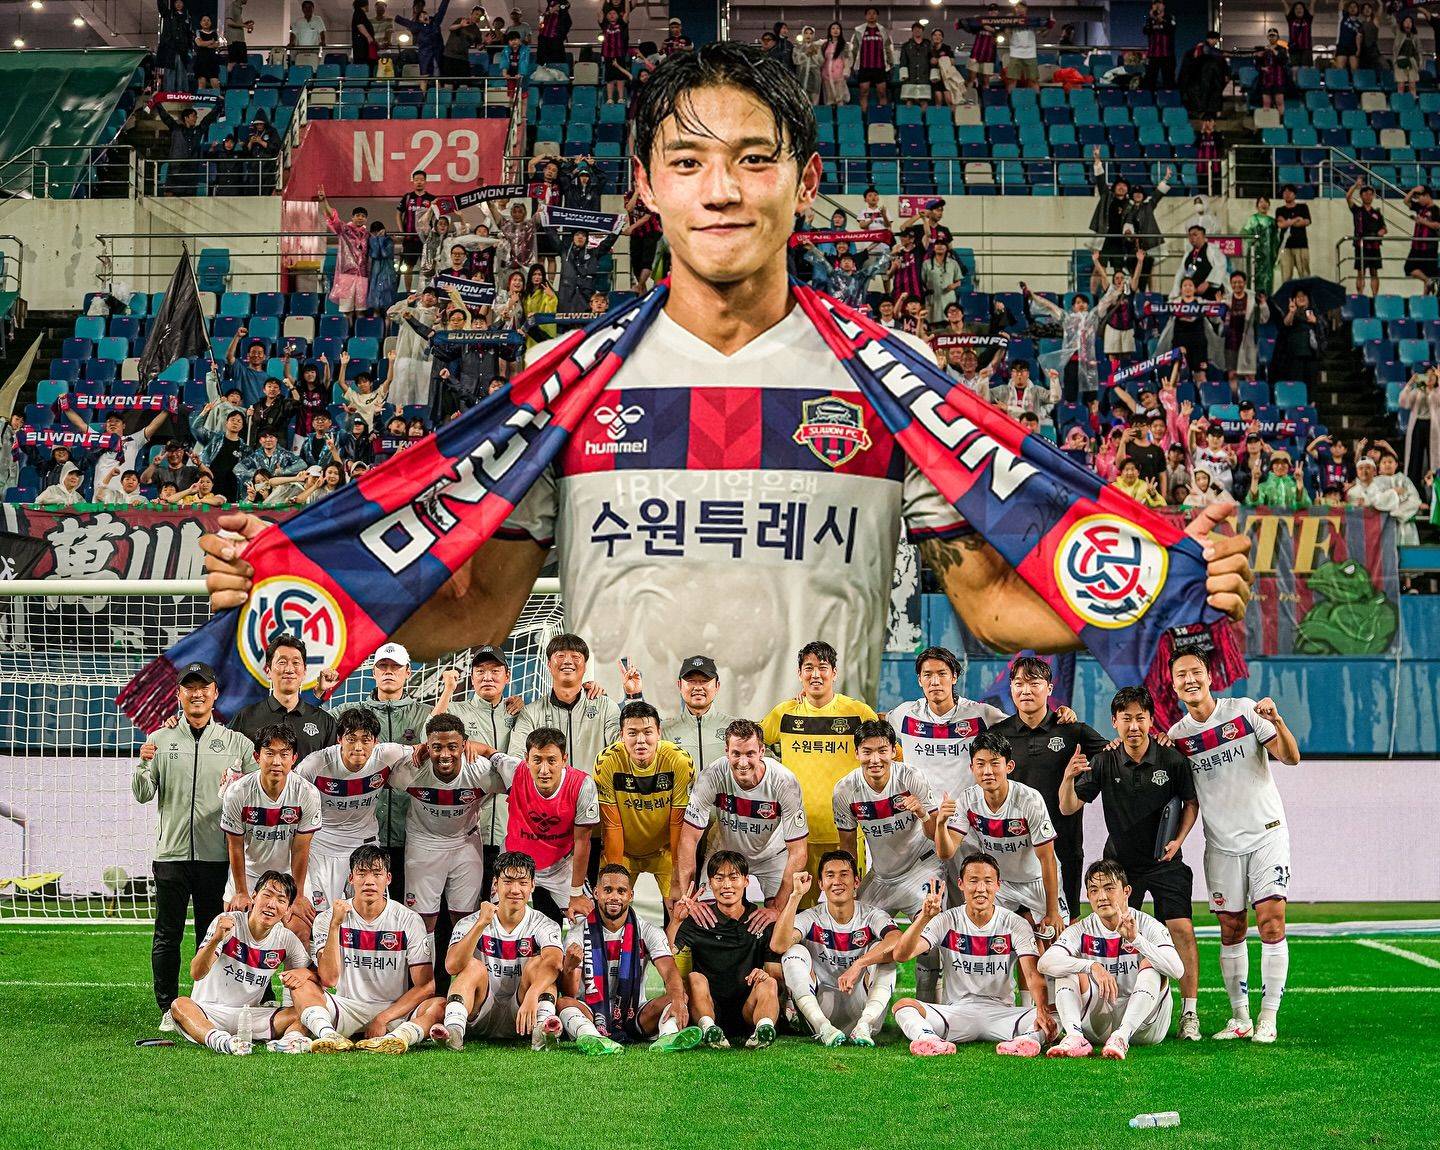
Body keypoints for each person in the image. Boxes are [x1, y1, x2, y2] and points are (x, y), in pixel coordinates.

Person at [200, 43, 1253, 743]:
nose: (723, 189)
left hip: (824, 818)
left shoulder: (891, 389)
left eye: (755, 159)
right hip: (619, 816)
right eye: (689, 160)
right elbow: (472, 616)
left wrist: (1170, 582)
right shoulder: (568, 389)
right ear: (648, 186)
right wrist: (293, 590)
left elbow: (986, 606)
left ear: (801, 177)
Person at [1168, 650, 1301, 1044]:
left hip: (1266, 834)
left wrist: (1277, 720)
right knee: (1231, 927)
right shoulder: (1178, 737)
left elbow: (1291, 758)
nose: (1189, 679)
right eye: (1181, 675)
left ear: (1209, 676)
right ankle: (1240, 1017)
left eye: (1196, 672)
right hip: (1221, 843)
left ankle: (1268, 1017)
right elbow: (1182, 794)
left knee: (1271, 921)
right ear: (1173, 685)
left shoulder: (1244, 711)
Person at [1059, 686, 1202, 1042]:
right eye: (1126, 719)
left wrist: (1179, 840)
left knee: (1182, 930)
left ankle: (1189, 1013)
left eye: (1140, 718)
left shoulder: (1171, 759)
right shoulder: (1105, 761)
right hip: (1121, 864)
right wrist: (1067, 778)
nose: (1133, 725)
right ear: (1115, 722)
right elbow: (1068, 807)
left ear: (1152, 721)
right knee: (1117, 935)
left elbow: (1190, 803)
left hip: (1166, 860)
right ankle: (1115, 1007)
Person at [132, 660, 255, 1031]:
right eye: (189, 687)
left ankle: (206, 1003)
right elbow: (142, 794)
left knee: (213, 931)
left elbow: (258, 794)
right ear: (179, 694)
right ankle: (168, 1007)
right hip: (170, 855)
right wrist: (141, 762)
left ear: (215, 694)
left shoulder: (238, 744)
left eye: (204, 687)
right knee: (167, 934)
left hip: (217, 857)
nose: (197, 693)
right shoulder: (160, 740)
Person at [889, 854, 1055, 1056]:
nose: (981, 889)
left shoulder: (1015, 923)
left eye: (988, 881)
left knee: (1055, 1011)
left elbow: (1032, 975)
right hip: (956, 1013)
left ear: (998, 885)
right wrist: (924, 918)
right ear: (960, 884)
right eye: (973, 881)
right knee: (904, 1006)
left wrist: (1040, 1009)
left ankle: (1028, 1040)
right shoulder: (945, 919)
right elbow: (901, 955)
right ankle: (928, 1039)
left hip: (1001, 1013)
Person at [988, 656, 1110, 921]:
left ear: (1050, 688)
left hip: (1063, 846)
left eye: (1034, 683)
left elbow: (1113, 757)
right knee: (1018, 932)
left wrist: (1083, 789)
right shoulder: (997, 735)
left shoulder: (1072, 730)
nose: (1026, 690)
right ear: (1010, 688)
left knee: (1065, 928)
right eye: (1018, 683)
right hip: (1013, 851)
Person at [291, 845, 434, 1053]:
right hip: (346, 1007)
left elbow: (426, 985)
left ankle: (397, 1038)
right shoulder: (326, 918)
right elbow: (329, 979)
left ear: (388, 879)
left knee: (438, 1005)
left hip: (393, 1009)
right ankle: (329, 1036)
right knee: (301, 987)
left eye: (377, 874)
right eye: (362, 874)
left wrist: (383, 1018)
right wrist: (335, 926)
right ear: (351, 878)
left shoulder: (409, 919)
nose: (369, 881)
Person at [1038, 860, 1187, 1059]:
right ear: (1088, 896)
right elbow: (1045, 963)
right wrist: (1091, 966)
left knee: (1150, 965)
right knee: (1067, 967)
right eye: (1094, 890)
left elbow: (1177, 971)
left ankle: (1122, 1036)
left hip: (1146, 1027)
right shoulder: (1081, 929)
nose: (1102, 897)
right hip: (1098, 1024)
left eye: (1109, 888)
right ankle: (1075, 1037)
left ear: (1126, 891)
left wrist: (1137, 940)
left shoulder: (1148, 925)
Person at [761, 641, 877, 896]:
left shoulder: (858, 713)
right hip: (798, 833)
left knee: (848, 906)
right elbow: (753, 745)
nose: (815, 674)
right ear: (799, 673)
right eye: (808, 668)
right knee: (799, 909)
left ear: (834, 673)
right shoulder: (784, 714)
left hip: (846, 830)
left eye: (822, 667)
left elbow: (889, 753)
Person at [424, 850, 564, 1049]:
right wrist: (481, 924)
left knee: (540, 964)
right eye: (507, 881)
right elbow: (452, 966)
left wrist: (533, 994)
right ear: (495, 884)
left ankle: (541, 1032)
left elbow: (555, 961)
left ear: (532, 885)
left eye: (523, 882)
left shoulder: (544, 923)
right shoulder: (470, 922)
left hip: (523, 1011)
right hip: (480, 1010)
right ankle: (453, 1033)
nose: (515, 889)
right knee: (472, 966)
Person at [556, 864, 704, 1052]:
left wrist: (677, 998)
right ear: (596, 892)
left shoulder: (648, 930)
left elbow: (669, 971)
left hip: (635, 1013)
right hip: (591, 1012)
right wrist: (569, 968)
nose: (614, 897)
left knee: (677, 995)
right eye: (608, 890)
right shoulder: (577, 934)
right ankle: (591, 1036)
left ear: (630, 895)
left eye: (621, 891)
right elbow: (570, 993)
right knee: (563, 1003)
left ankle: (668, 1037)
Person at [936, 731, 1067, 941]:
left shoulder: (1029, 800)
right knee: (994, 944)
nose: (987, 771)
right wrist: (941, 824)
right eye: (980, 764)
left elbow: (1048, 859)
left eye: (995, 763)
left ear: (1009, 766)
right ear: (972, 768)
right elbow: (946, 852)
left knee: (1054, 948)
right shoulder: (968, 800)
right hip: (1000, 885)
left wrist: (1052, 912)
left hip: (1037, 881)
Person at [169, 871, 312, 1054]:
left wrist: (305, 973)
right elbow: (197, 973)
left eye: (281, 900)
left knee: (307, 1012)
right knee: (180, 1005)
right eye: (266, 895)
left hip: (248, 1016)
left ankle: (289, 1042)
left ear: (288, 909)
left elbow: (315, 976)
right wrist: (216, 939)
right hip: (208, 1012)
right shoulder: (229, 922)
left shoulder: (286, 939)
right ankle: (221, 1042)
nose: (271, 904)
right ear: (254, 896)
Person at [676, 719, 808, 915]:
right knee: (708, 916)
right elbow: (688, 838)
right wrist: (688, 896)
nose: (743, 762)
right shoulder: (711, 776)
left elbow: (798, 852)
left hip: (772, 856)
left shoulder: (784, 781)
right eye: (736, 754)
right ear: (727, 751)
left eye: (750, 753)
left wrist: (778, 908)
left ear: (762, 751)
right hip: (725, 853)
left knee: (778, 920)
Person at [333, 641, 432, 902]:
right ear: (373, 672)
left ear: (408, 672)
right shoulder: (349, 714)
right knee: (362, 908)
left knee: (412, 909)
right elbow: (311, 723)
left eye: (395, 667)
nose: (389, 671)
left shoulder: (425, 714)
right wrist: (319, 693)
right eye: (383, 666)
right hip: (363, 833)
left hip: (413, 833)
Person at [293, 706, 415, 914]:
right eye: (351, 739)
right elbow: (289, 795)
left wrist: (485, 752)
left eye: (366, 739)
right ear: (339, 739)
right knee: (322, 916)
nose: (358, 747)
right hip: (323, 848)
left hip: (364, 845)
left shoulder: (388, 754)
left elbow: (426, 748)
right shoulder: (315, 764)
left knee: (372, 913)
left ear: (376, 742)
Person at [771, 857, 899, 1046]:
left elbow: (897, 940)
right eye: (830, 875)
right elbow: (778, 946)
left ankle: (864, 1026)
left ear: (856, 881)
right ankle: (823, 1028)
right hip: (819, 1011)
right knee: (793, 952)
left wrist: (860, 963)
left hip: (863, 1008)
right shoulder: (811, 917)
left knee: (884, 956)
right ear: (821, 884)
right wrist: (795, 896)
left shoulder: (872, 915)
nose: (837, 881)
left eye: (844, 874)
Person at [386, 714, 489, 943]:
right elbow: (374, 772)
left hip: (465, 844)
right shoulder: (410, 769)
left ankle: (470, 978)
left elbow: (519, 783)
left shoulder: (482, 770)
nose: (444, 755)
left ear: (464, 745)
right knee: (420, 922)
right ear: (426, 747)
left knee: (467, 920)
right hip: (423, 843)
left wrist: (488, 751)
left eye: (452, 747)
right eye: (436, 747)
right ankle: (423, 979)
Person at [479, 727, 599, 922]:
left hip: (561, 866)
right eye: (537, 760)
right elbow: (487, 751)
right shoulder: (514, 769)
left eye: (552, 760)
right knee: (498, 922)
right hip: (514, 864)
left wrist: (576, 893)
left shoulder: (582, 785)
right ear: (526, 759)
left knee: (587, 921)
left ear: (564, 759)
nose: (544, 770)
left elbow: (583, 842)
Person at [669, 851, 780, 1049]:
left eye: (734, 877)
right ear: (711, 883)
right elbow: (666, 955)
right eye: (719, 878)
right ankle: (709, 1030)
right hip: (708, 1005)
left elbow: (776, 973)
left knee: (769, 982)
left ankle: (763, 1030)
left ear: (746, 881)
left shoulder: (760, 919)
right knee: (695, 978)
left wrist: (763, 973)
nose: (726, 885)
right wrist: (676, 921)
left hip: (749, 1008)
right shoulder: (698, 918)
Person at [593, 701, 693, 910]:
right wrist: (615, 877)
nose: (641, 741)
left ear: (659, 732)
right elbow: (612, 826)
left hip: (664, 850)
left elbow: (678, 824)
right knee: (610, 906)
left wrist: (677, 874)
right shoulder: (607, 761)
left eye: (647, 732)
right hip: (624, 851)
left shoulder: (679, 761)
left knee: (680, 908)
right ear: (621, 735)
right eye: (632, 733)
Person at [220, 724, 320, 918]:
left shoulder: (307, 793)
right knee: (233, 928)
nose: (276, 762)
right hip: (248, 874)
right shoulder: (236, 793)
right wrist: (241, 892)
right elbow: (235, 846)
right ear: (257, 757)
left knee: (300, 926)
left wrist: (298, 895)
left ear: (293, 759)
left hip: (288, 874)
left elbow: (300, 848)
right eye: (269, 753)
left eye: (284, 755)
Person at [888, 645, 1008, 803]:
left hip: (967, 816)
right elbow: (877, 722)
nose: (935, 682)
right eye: (927, 675)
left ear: (954, 677)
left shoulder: (982, 715)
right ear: (919, 680)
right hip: (921, 816)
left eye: (942, 674)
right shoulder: (905, 715)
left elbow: (1019, 726)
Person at [228, 634, 338, 760]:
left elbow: (332, 771)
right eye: (282, 662)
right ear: (268, 671)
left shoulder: (325, 722)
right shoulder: (245, 718)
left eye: (296, 662)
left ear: (304, 671)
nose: (289, 669)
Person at [63, 405, 171, 504]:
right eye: (109, 421)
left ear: (124, 425)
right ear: (106, 425)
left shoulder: (133, 440)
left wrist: (167, 409)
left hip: (124, 498)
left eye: (117, 421)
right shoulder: (98, 439)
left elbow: (153, 426)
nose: (113, 423)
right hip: (101, 496)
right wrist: (66, 406)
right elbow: (80, 424)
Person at [659, 655, 738, 778]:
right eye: (691, 681)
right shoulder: (663, 731)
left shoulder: (736, 728)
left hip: (724, 797)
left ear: (717, 685)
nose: (697, 687)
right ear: (680, 685)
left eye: (704, 681)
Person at [1349, 452, 1423, 544]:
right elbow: (1376, 500)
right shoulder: (1374, 482)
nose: (1387, 464)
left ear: (1396, 464)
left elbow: (1414, 500)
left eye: (1390, 462)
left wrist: (1397, 513)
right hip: (1383, 524)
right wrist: (1393, 493)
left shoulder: (1405, 480)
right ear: (1379, 466)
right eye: (1384, 462)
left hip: (1404, 523)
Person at [318, 186, 371, 316]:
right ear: (352, 217)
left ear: (366, 219)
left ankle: (357, 336)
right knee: (346, 311)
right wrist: (324, 201)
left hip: (362, 275)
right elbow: (332, 217)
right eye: (357, 215)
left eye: (363, 216)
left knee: (360, 311)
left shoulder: (368, 235)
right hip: (347, 275)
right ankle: (347, 335)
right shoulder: (344, 229)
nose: (360, 218)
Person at [1400, 368, 1440, 491]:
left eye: (1433, 376)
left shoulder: (1437, 391)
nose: (1430, 378)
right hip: (1418, 425)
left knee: (1433, 459)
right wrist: (1411, 383)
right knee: (1415, 457)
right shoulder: (1417, 391)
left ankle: (1433, 490)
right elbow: (1403, 402)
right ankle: (1413, 489)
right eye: (1427, 375)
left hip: (1433, 428)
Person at [1346, 180, 1387, 298]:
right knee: (1361, 272)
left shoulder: (1377, 213)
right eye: (1365, 194)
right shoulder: (1357, 210)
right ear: (1361, 195)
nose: (1368, 196)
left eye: (1370, 194)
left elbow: (1384, 228)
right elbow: (1348, 197)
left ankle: (1375, 296)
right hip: (1361, 245)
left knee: (1374, 272)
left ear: (1373, 196)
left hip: (1374, 246)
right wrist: (1355, 185)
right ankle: (1360, 295)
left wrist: (1381, 232)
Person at [849, 7, 894, 112]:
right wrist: (851, 65)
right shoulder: (858, 31)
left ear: (877, 16)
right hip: (864, 67)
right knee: (864, 92)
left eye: (874, 13)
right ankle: (864, 117)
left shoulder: (883, 31)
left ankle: (882, 116)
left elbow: (888, 48)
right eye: (869, 13)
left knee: (882, 93)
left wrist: (891, 63)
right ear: (865, 16)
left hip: (880, 67)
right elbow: (854, 50)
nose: (871, 15)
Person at [1402, 185, 1438, 292]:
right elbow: (1406, 201)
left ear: (1427, 196)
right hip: (1416, 246)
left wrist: (1423, 222)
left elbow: (1437, 225)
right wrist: (1413, 190)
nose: (1418, 200)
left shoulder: (1436, 210)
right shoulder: (1420, 207)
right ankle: (1428, 281)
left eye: (1420, 197)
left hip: (1429, 246)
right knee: (1408, 268)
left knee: (1428, 272)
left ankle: (1425, 297)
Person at [1242, 196, 1279, 297]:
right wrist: (1252, 240)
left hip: (1269, 256)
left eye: (1266, 202)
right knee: (1255, 278)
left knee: (1268, 279)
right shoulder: (1252, 219)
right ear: (1257, 205)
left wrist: (1276, 253)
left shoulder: (1272, 221)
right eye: (1261, 202)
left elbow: (1276, 239)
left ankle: (1267, 301)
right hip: (1256, 255)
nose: (1263, 204)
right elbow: (1244, 232)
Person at [1275, 184, 1311, 283]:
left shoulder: (1303, 207)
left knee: (1304, 275)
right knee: (1286, 277)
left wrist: (1287, 222)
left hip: (1301, 245)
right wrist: (1296, 219)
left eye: (1289, 192)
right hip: (1285, 247)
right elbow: (1280, 225)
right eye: (1284, 192)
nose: (1287, 194)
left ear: (1294, 194)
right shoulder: (1280, 210)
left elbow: (1306, 222)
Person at [1142, 0, 1176, 90]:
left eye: (1159, 3)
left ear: (1163, 5)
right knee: (1150, 80)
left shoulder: (1170, 17)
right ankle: (1149, 101)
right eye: (1154, 3)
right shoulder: (1149, 19)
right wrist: (1153, 19)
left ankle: (1169, 100)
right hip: (1153, 54)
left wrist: (1161, 20)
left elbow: (1171, 29)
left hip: (1167, 54)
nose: (1157, 5)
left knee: (1168, 79)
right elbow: (1145, 30)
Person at [288, 0, 328, 67]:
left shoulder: (317, 19)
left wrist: (323, 41)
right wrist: (291, 42)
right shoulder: (299, 21)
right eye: (305, 7)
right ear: (302, 9)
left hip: (313, 51)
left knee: (313, 68)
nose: (308, 9)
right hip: (301, 51)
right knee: (301, 69)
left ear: (313, 8)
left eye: (310, 7)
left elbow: (322, 32)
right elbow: (293, 33)